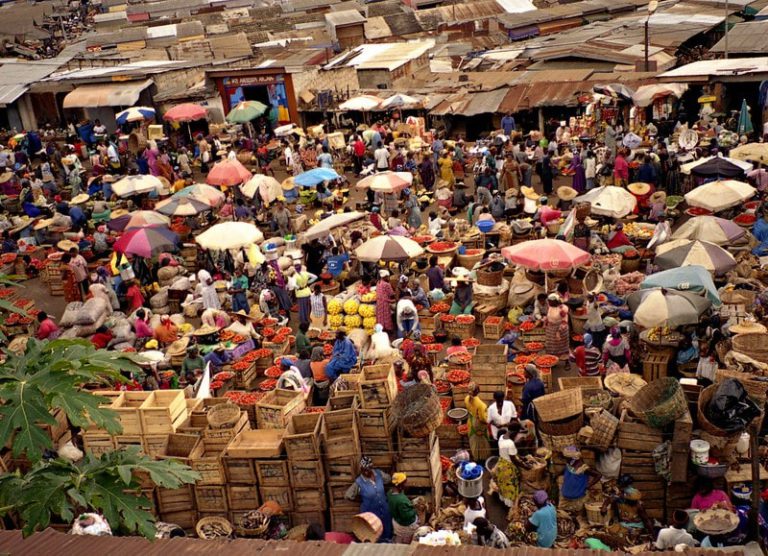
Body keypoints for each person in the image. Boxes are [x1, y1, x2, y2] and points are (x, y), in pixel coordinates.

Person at [345, 456, 392, 542]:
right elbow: (348, 495)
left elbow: (389, 479)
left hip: (384, 511)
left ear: (372, 467)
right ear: (361, 469)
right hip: (371, 514)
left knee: (387, 534)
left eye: (368, 469)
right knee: (374, 536)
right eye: (363, 470)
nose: (366, 472)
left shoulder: (378, 474)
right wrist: (361, 500)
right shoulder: (359, 482)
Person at [560, 446, 601, 514]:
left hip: (577, 499)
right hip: (565, 497)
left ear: (573, 458)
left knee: (576, 516)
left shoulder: (583, 468)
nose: (565, 459)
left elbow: (598, 475)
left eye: (567, 458)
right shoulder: (569, 464)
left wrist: (589, 485)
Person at [388, 473, 418, 544]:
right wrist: (414, 510)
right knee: (407, 542)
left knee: (399, 538)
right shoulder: (401, 501)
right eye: (405, 483)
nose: (406, 484)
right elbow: (406, 516)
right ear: (400, 485)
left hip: (396, 521)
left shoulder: (390, 493)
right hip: (405, 526)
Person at [465, 382, 492, 462]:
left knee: (474, 441)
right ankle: (482, 458)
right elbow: (483, 419)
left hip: (470, 421)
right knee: (481, 442)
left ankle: (475, 456)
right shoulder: (481, 405)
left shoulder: (466, 399)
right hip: (478, 425)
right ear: (478, 391)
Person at [495, 427, 521, 507]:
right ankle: (510, 506)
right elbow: (514, 460)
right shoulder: (510, 443)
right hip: (508, 468)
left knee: (503, 484)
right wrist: (525, 466)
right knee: (510, 487)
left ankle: (503, 501)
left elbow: (510, 453)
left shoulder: (502, 436)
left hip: (501, 464)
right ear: (514, 433)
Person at [544, 294, 569, 359]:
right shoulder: (550, 306)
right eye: (548, 301)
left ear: (556, 301)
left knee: (562, 347)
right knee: (552, 347)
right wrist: (545, 322)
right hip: (551, 330)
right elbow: (548, 316)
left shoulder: (562, 309)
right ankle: (553, 360)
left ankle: (566, 361)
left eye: (550, 301)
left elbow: (564, 321)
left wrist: (558, 331)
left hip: (561, 330)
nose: (549, 302)